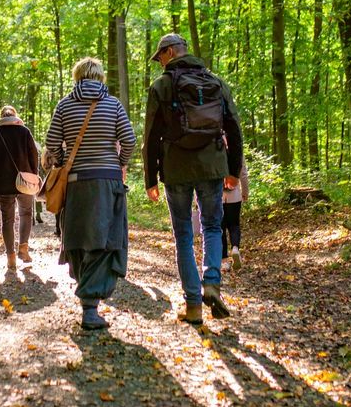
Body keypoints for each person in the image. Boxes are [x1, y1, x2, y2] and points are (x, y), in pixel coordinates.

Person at [142, 33, 243, 325]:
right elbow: (233, 127)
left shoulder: (162, 85)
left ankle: (194, 305)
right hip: (212, 165)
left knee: (183, 236)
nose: (159, 62)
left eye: (160, 56)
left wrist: (151, 179)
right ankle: (211, 281)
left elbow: (150, 136)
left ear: (171, 52)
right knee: (213, 226)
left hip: (176, 168)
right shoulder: (216, 82)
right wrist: (233, 171)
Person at [44, 57, 135, 330]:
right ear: (100, 77)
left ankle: (88, 300)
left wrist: (62, 161)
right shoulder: (113, 105)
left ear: (77, 77)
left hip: (75, 182)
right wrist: (119, 164)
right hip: (108, 181)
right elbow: (129, 140)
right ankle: (90, 306)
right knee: (106, 239)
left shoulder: (64, 105)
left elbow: (51, 143)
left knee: (79, 238)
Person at [0, 105, 40, 269]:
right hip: (25, 181)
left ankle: (10, 257)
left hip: (4, 184)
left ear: (1, 116)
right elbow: (34, 155)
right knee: (26, 213)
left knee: (7, 219)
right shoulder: (24, 132)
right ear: (15, 116)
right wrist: (34, 175)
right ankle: (23, 247)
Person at [222, 161, 249, 270]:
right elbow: (243, 174)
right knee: (234, 225)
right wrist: (245, 192)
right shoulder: (236, 150)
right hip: (235, 195)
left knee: (220, 229)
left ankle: (224, 261)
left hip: (218, 196)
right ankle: (235, 248)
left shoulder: (215, 146)